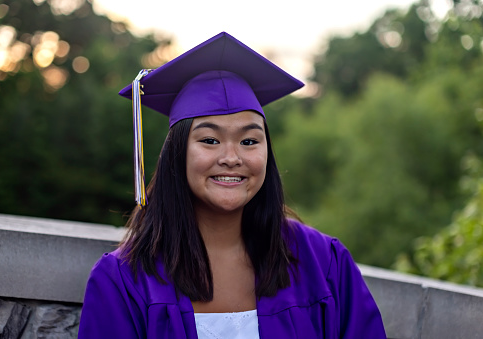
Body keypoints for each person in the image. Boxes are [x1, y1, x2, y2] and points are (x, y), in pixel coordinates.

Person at [78, 32, 386, 338]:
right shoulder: (124, 280)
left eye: (249, 141)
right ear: (177, 154)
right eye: (209, 140)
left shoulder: (323, 262)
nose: (231, 157)